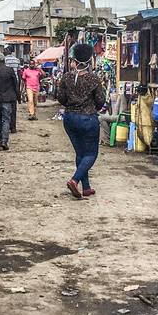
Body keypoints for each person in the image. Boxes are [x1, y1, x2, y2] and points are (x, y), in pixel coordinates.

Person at [58, 42, 106, 199]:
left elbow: (61, 98)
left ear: (74, 60)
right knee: (91, 154)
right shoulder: (93, 79)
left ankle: (86, 187)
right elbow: (100, 100)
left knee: (80, 152)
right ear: (89, 60)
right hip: (88, 119)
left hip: (70, 118)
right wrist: (91, 107)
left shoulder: (66, 77)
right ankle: (75, 180)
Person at [3, 47, 21, 132]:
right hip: (14, 86)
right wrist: (19, 88)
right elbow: (19, 74)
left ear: (7, 51)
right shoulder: (17, 60)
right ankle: (13, 126)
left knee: (5, 106)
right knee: (13, 108)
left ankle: (6, 125)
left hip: (5, 85)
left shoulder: (4, 61)